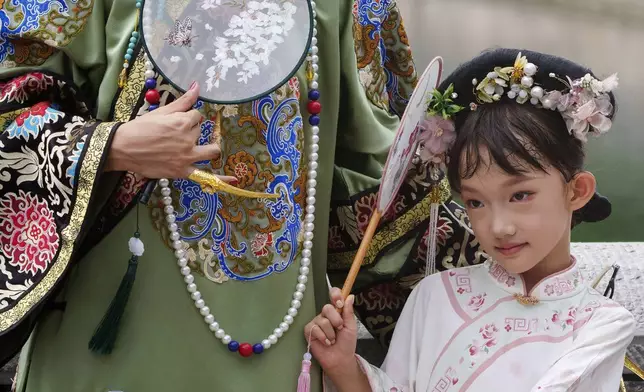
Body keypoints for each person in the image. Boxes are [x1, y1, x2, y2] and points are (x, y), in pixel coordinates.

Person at [0, 0, 429, 391]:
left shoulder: (354, 8)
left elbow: (385, 172)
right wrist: (112, 146)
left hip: (271, 345)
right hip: (106, 337)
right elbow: (11, 106)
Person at [305, 48, 636, 391]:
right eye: (475, 202)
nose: (499, 227)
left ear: (576, 190)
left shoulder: (601, 325)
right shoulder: (434, 295)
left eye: (520, 195)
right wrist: (344, 366)